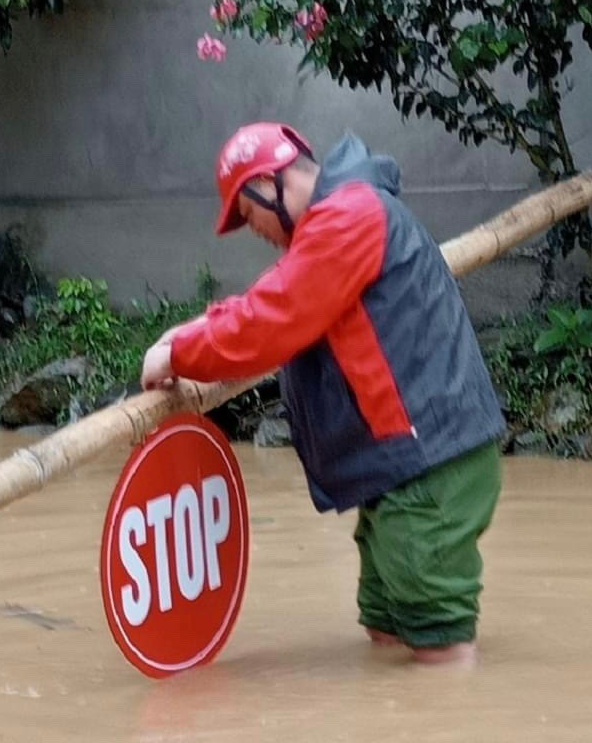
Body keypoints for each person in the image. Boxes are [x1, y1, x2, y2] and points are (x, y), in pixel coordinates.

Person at [140, 122, 505, 665]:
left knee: (440, 647)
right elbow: (276, 298)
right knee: (385, 627)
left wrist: (180, 353)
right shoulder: (336, 225)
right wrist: (191, 335)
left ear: (271, 184)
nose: (252, 228)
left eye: (247, 212)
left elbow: (274, 318)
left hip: (430, 466)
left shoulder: (349, 217)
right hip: (401, 470)